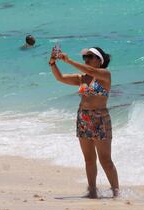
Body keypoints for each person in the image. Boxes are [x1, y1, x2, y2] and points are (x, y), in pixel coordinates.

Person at [49, 46, 119, 198]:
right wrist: (53, 63)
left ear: (99, 61)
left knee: (105, 160)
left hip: (100, 118)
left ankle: (116, 192)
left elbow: (92, 72)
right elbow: (60, 78)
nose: (86, 59)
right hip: (83, 118)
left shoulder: (105, 74)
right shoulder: (82, 78)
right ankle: (92, 191)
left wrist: (69, 60)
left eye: (89, 57)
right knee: (89, 159)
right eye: (85, 57)